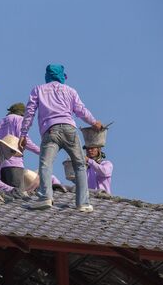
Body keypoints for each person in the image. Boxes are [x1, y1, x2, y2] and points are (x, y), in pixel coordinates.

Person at [18, 64, 102, 212]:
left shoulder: (38, 90)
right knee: (80, 165)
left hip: (51, 131)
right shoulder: (70, 91)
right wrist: (94, 122)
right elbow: (81, 110)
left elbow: (29, 113)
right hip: (70, 129)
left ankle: (45, 197)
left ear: (47, 75)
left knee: (46, 164)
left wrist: (23, 134)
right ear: (62, 76)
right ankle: (83, 203)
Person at [0, 102, 40, 193]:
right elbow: (25, 142)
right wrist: (41, 152)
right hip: (14, 164)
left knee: (2, 198)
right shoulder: (19, 120)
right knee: (17, 195)